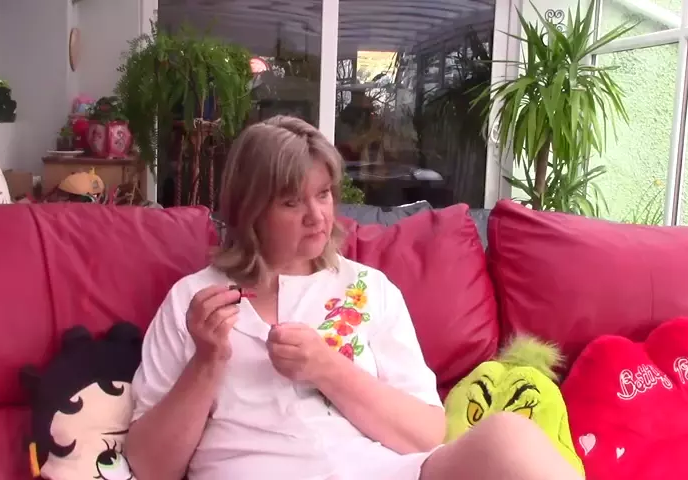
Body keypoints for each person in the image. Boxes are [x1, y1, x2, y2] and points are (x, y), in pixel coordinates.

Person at [125, 115, 581, 480]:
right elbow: (149, 467)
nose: (317, 216)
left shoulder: (368, 288)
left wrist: (328, 368)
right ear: (250, 210)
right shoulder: (194, 300)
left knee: (508, 437)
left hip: (382, 471)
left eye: (323, 194)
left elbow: (427, 433)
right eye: (291, 202)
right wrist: (207, 361)